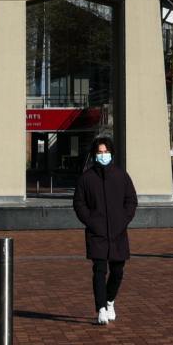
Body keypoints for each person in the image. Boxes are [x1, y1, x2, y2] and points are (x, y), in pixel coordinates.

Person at [72, 135, 137, 325]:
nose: (103, 155)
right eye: (100, 152)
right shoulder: (87, 178)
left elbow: (131, 200)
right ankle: (100, 308)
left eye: (106, 152)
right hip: (97, 232)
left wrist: (124, 219)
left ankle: (109, 301)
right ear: (94, 155)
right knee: (99, 270)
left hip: (118, 232)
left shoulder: (121, 175)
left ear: (111, 154)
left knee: (117, 271)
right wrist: (90, 221)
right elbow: (79, 203)